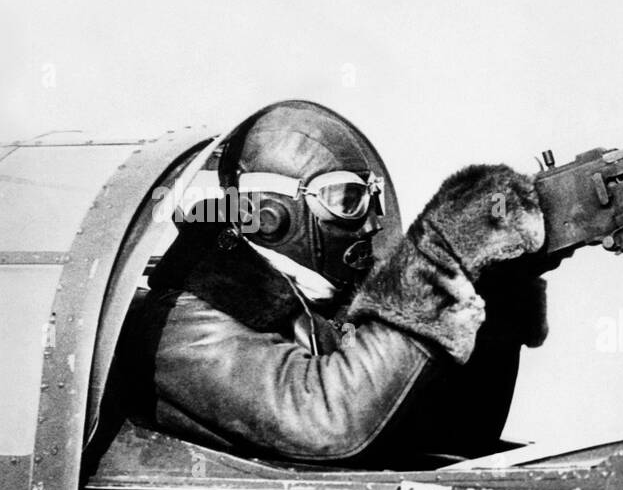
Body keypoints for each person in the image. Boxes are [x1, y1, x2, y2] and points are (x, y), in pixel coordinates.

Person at [131, 100, 549, 466]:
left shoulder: (318, 306)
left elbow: (450, 429)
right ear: (273, 214)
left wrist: (500, 275)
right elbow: (327, 420)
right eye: (347, 201)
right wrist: (441, 256)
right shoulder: (183, 328)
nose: (371, 223)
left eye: (371, 198)